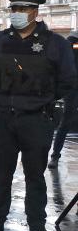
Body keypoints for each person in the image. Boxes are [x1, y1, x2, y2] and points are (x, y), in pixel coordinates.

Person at [0, 0, 76, 231]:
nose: (17, 14)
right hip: (2, 118)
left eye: (22, 10)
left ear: (35, 12)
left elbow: (68, 80)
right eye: (14, 9)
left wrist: (41, 98)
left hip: (36, 118)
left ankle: (37, 226)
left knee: (35, 175)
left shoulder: (54, 43)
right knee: (1, 174)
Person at [48, 29, 78, 168]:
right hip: (73, 88)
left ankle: (55, 156)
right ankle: (55, 155)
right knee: (66, 121)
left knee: (66, 122)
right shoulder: (72, 41)